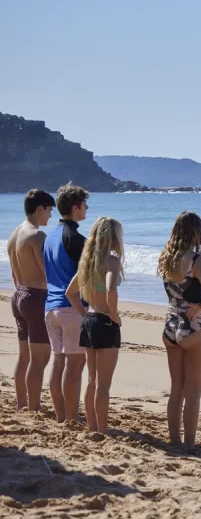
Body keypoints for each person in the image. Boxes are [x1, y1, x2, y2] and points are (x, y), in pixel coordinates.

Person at [157, 211, 201, 451]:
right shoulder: (196, 259)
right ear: (197, 232)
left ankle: (174, 440)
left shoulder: (166, 258)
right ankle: (190, 445)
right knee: (193, 392)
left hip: (170, 324)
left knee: (176, 390)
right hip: (193, 326)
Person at [65, 217, 124, 435]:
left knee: (91, 380)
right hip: (105, 321)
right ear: (113, 237)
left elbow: (70, 293)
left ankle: (92, 427)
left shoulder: (87, 261)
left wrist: (83, 313)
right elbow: (111, 289)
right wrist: (114, 315)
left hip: (89, 320)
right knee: (103, 384)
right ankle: (103, 430)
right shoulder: (112, 261)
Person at [43, 183, 89, 423]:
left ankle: (62, 416)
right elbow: (87, 275)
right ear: (74, 208)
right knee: (75, 364)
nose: (87, 209)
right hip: (71, 307)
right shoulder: (76, 239)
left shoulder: (49, 236)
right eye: (84, 205)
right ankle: (71, 418)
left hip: (50, 306)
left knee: (58, 361)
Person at [6, 189, 56, 410]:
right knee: (41, 358)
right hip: (36, 297)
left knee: (25, 356)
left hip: (18, 294)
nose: (51, 216)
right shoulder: (37, 236)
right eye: (49, 211)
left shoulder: (15, 234)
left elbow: (14, 273)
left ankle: (22, 402)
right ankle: (34, 407)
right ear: (40, 209)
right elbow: (48, 273)